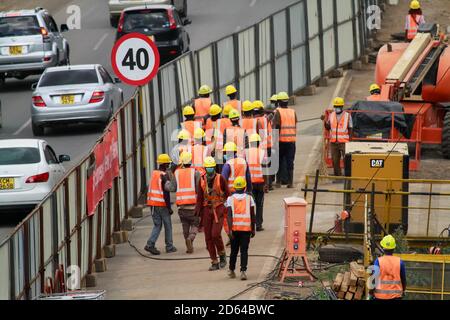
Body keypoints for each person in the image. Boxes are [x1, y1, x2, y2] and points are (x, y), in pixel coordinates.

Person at [196, 157, 229, 271]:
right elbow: (199, 197)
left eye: (211, 167)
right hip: (206, 210)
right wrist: (198, 211)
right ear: (205, 168)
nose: (209, 169)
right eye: (207, 167)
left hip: (218, 208)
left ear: (214, 167)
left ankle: (222, 255)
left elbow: (227, 194)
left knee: (215, 234)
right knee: (208, 237)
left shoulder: (221, 178)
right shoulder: (201, 179)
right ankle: (214, 261)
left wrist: (227, 208)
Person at [145, 154, 177, 255]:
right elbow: (167, 192)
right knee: (168, 225)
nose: (168, 165)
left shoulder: (154, 173)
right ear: (165, 164)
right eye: (168, 163)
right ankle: (169, 246)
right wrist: (169, 208)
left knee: (157, 225)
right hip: (161, 204)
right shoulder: (164, 176)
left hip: (153, 204)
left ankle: (150, 244)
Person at [226, 177, 256, 281]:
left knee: (233, 251)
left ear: (234, 187)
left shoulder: (230, 199)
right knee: (244, 251)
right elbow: (252, 214)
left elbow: (229, 215)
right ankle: (243, 271)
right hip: (246, 229)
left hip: (235, 229)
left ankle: (231, 270)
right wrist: (253, 228)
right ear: (244, 187)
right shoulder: (249, 198)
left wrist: (229, 230)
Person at [174, 151, 202, 254]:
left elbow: (172, 187)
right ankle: (190, 238)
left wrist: (165, 182)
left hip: (181, 207)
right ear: (191, 161)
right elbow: (199, 189)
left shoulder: (176, 173)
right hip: (193, 206)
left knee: (185, 225)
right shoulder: (195, 172)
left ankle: (188, 244)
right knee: (195, 224)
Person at [273, 91, 297, 188]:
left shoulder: (278, 112)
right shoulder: (293, 112)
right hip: (291, 141)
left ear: (278, 102)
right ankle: (290, 182)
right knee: (290, 161)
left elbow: (277, 126)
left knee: (279, 161)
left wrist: (275, 141)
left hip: (281, 141)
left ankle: (278, 182)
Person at [324, 97, 352, 179]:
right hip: (334, 142)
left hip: (344, 142)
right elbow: (328, 127)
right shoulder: (331, 115)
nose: (337, 108)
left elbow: (351, 128)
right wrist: (325, 121)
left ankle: (347, 176)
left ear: (342, 106)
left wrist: (350, 141)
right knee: (334, 160)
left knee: (346, 160)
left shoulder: (347, 116)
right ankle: (338, 176)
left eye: (338, 106)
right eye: (335, 106)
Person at [371, 235, 406, 300]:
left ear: (383, 248)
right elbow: (403, 280)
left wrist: (371, 291)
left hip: (380, 297)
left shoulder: (378, 261)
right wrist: (403, 290)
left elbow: (373, 280)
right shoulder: (400, 262)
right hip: (396, 296)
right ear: (393, 248)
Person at [246, 133, 266, 231]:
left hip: (250, 184)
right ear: (258, 143)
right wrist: (266, 183)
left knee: (250, 205)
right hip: (260, 182)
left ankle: (251, 224)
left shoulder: (246, 153)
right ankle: (258, 225)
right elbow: (266, 168)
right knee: (259, 204)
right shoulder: (262, 152)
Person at [254, 100, 273, 191]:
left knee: (258, 167)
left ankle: (261, 185)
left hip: (257, 146)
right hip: (265, 146)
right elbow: (272, 113)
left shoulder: (254, 120)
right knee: (266, 167)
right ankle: (267, 186)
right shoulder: (265, 119)